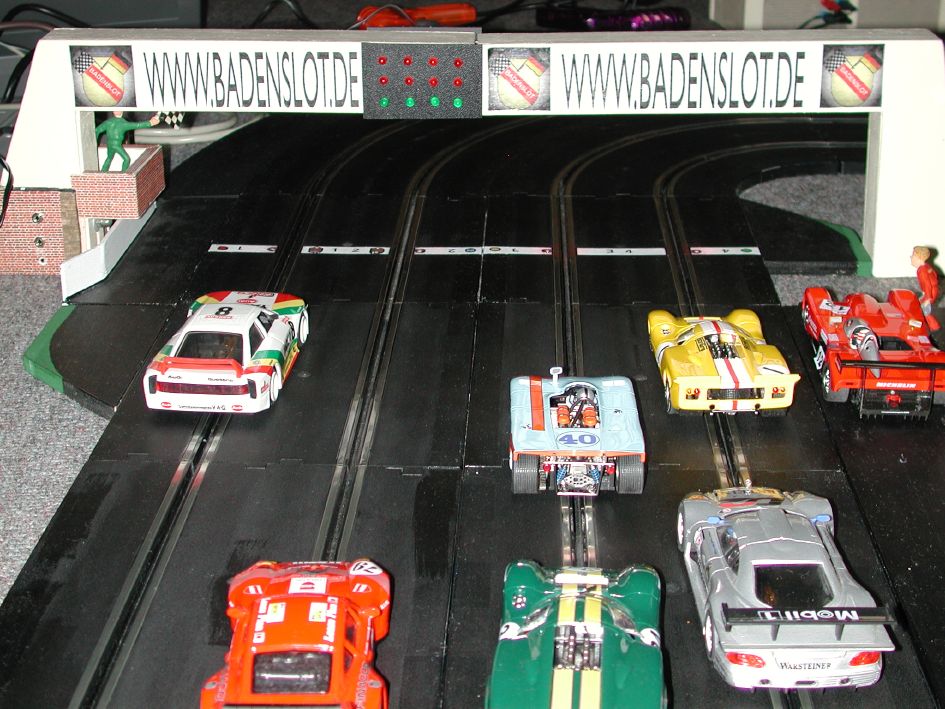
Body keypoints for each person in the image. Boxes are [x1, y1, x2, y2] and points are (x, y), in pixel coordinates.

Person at [95, 111, 160, 171]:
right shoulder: (123, 123)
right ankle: (123, 174)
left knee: (109, 158)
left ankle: (103, 172)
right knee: (126, 159)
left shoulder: (108, 122)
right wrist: (150, 123)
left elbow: (97, 130)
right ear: (122, 111)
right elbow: (137, 125)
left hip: (109, 144)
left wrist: (95, 142)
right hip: (116, 145)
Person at [911, 246, 941, 330]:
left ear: (919, 258)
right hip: (932, 291)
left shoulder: (922, 271)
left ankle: (932, 327)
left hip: (930, 293)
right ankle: (933, 326)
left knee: (923, 311)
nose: (911, 257)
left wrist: (927, 298)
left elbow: (927, 285)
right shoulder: (927, 266)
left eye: (913, 255)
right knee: (921, 309)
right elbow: (934, 276)